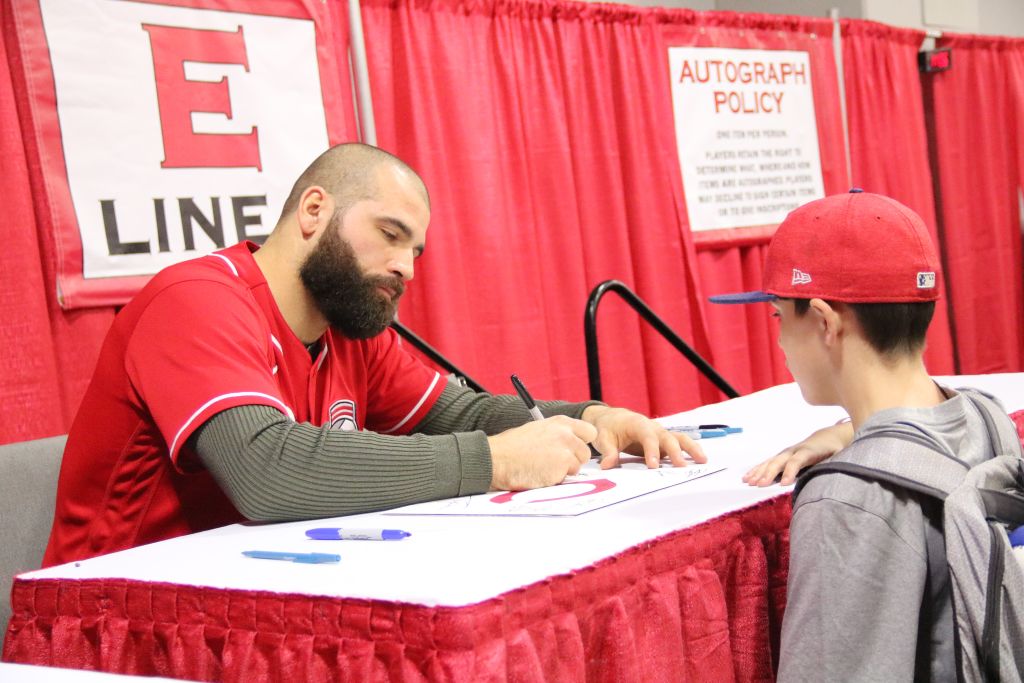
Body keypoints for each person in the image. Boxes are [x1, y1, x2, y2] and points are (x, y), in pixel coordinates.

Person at [43, 143, 705, 567]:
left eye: (415, 251)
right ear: (313, 211)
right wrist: (495, 462)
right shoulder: (195, 301)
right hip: (114, 619)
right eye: (390, 235)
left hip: (251, 595)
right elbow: (268, 471)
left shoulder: (348, 326)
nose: (405, 267)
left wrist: (593, 417)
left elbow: (458, 411)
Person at [709, 189, 1021, 680]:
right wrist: (850, 433)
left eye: (778, 316)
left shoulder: (848, 499)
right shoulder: (990, 418)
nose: (778, 340)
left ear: (823, 321)